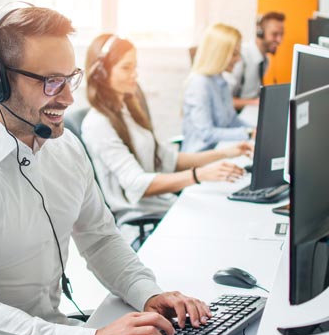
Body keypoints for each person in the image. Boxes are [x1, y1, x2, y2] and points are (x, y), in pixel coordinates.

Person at [0, 3, 214, 335]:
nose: (69, 98)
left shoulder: (65, 148)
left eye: (69, 78)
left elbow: (101, 238)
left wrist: (147, 293)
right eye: (50, 82)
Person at [82, 34, 254, 233]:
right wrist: (199, 175)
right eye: (126, 67)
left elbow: (167, 158)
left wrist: (228, 152)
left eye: (135, 67)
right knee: (222, 220)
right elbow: (136, 184)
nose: (135, 75)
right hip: (141, 215)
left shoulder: (126, 110)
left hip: (162, 204)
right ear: (101, 73)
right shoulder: (97, 124)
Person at [181, 23, 255, 153]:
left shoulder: (221, 80)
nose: (238, 60)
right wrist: (247, 133)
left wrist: (255, 130)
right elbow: (207, 134)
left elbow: (232, 120)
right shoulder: (199, 84)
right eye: (234, 54)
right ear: (219, 54)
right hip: (200, 158)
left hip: (221, 149)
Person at [228, 12, 285, 110]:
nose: (279, 40)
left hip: (251, 110)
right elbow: (225, 101)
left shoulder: (265, 60)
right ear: (260, 33)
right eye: (275, 34)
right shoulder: (240, 59)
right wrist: (255, 102)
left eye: (281, 35)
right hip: (237, 114)